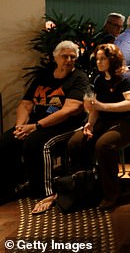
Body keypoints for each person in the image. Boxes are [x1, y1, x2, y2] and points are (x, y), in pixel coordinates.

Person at [0, 41, 89, 208]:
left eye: (72, 57)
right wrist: (20, 127)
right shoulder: (43, 77)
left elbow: (70, 109)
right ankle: (10, 186)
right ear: (55, 57)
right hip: (37, 123)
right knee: (6, 141)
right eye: (65, 56)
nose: (69, 60)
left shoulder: (79, 78)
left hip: (66, 125)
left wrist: (36, 126)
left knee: (37, 144)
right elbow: (25, 104)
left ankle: (45, 193)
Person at [67, 44, 130, 211]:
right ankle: (87, 184)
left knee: (103, 145)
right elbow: (95, 108)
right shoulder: (100, 80)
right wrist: (89, 124)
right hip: (105, 120)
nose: (98, 62)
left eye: (102, 59)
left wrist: (101, 106)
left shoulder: (126, 77)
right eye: (97, 59)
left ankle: (111, 193)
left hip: (127, 122)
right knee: (75, 142)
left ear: (112, 60)